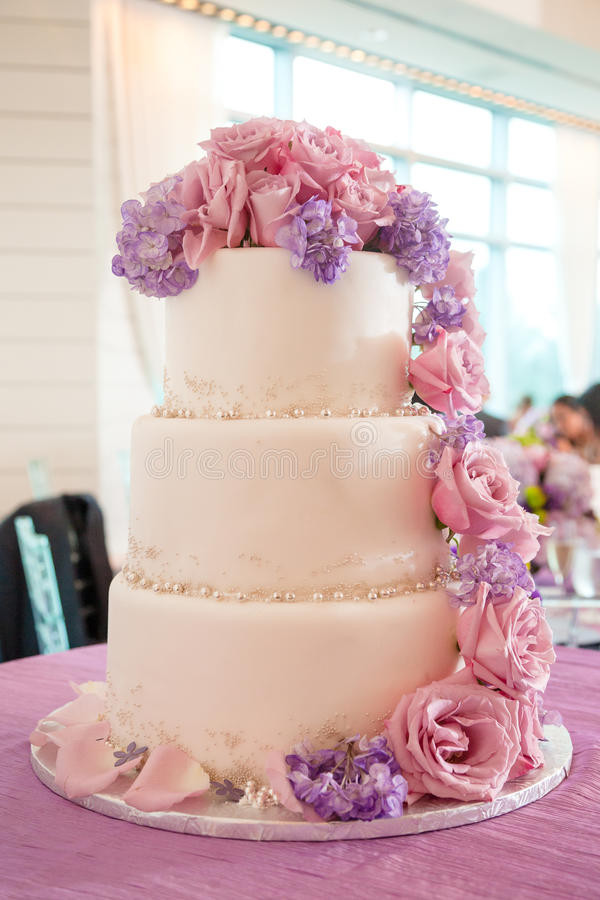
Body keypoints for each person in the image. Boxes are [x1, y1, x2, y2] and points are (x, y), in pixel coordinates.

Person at [551, 393, 600, 462]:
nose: (559, 426)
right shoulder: (563, 445)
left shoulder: (597, 437)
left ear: (581, 412)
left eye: (562, 417)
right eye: (555, 421)